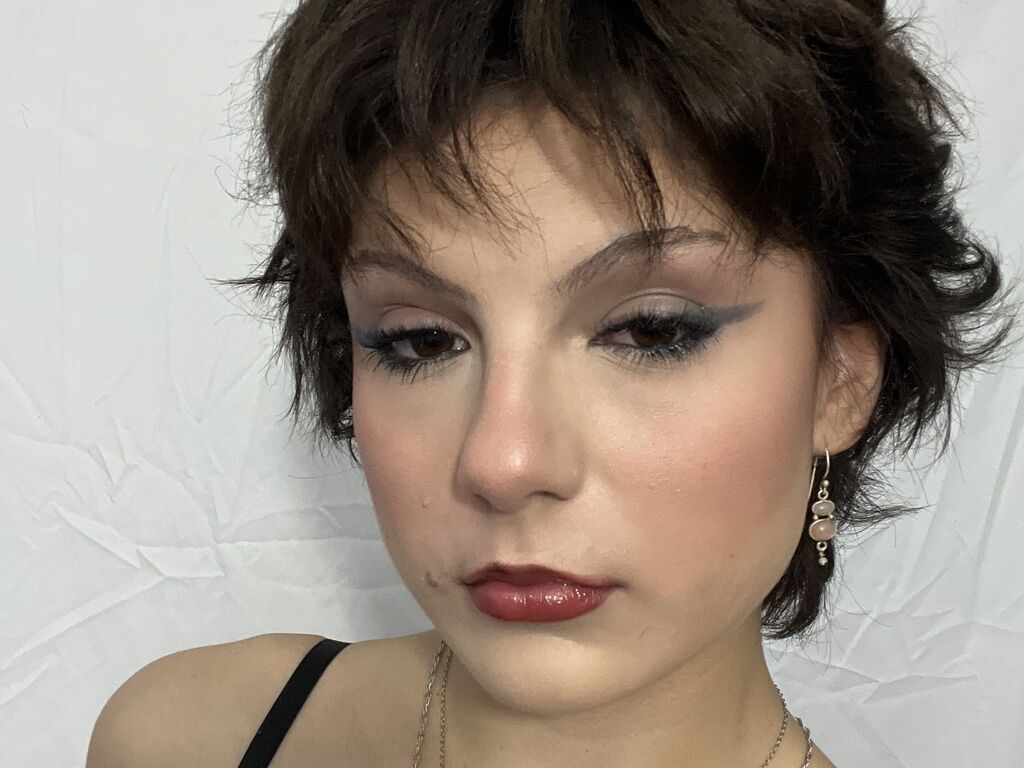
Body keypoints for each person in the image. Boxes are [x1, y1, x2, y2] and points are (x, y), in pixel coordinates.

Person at [86, 1, 1017, 766]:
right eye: (419, 341)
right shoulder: (188, 739)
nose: (504, 461)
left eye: (650, 330)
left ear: (839, 382)